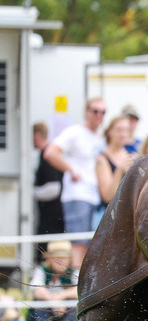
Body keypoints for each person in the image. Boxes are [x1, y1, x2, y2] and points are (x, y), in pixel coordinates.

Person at [43, 98, 106, 269]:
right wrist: (71, 170)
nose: (99, 115)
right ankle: (77, 279)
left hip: (96, 196)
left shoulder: (101, 137)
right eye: (95, 111)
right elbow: (50, 152)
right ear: (86, 112)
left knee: (91, 241)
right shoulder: (74, 132)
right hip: (78, 194)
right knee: (78, 241)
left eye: (102, 112)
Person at [94, 114, 136, 228]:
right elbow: (107, 196)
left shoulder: (130, 156)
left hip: (127, 215)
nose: (122, 134)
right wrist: (120, 170)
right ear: (109, 132)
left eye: (126, 130)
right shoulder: (102, 159)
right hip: (108, 217)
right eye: (119, 130)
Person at [29, 239, 78, 321]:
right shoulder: (42, 270)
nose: (61, 261)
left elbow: (79, 291)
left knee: (76, 304)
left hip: (66, 308)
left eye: (64, 258)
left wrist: (61, 297)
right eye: (57, 258)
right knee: (39, 302)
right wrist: (54, 301)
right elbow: (36, 289)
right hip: (48, 307)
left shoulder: (74, 272)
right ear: (49, 259)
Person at [31, 122, 64, 262]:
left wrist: (32, 194)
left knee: (47, 249)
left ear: (37, 136)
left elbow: (54, 189)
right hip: (48, 214)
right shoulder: (45, 155)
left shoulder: (47, 156)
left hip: (52, 215)